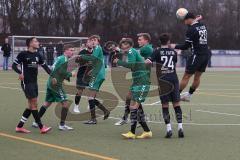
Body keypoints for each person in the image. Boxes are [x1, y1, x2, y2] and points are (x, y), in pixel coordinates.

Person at [146, 33, 184, 138]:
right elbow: (174, 62)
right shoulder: (173, 52)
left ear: (160, 41)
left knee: (165, 105)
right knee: (176, 104)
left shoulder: (157, 52)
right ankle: (180, 127)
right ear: (168, 41)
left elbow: (148, 62)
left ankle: (169, 129)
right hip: (174, 79)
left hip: (163, 81)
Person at [113, 38, 152, 139]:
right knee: (132, 102)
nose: (121, 46)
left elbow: (131, 65)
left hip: (142, 81)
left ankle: (132, 132)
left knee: (134, 107)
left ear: (128, 45)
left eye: (123, 44)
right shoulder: (131, 51)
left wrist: (119, 62)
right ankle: (146, 131)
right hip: (137, 81)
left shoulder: (131, 51)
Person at [12, 37, 52, 134]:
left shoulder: (38, 55)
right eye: (35, 41)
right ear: (30, 43)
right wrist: (20, 73)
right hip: (27, 82)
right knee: (34, 104)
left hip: (34, 82)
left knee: (31, 105)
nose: (38, 42)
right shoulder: (23, 54)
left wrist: (53, 75)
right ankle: (41, 127)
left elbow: (45, 66)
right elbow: (14, 65)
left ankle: (19, 127)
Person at [32, 44, 77, 131]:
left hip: (51, 82)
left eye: (73, 50)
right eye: (71, 50)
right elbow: (61, 71)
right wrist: (71, 74)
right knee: (65, 103)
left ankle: (36, 122)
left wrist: (64, 77)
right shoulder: (63, 59)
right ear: (66, 50)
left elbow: (53, 69)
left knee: (47, 103)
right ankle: (62, 125)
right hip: (55, 84)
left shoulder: (60, 58)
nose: (72, 52)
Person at [170, 13, 209, 102]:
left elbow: (185, 46)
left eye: (185, 20)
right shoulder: (203, 25)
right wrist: (197, 19)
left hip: (196, 55)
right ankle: (189, 95)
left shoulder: (191, 29)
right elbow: (197, 25)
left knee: (186, 76)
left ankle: (176, 95)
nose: (184, 22)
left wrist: (173, 46)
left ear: (189, 19)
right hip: (205, 55)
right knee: (197, 77)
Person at [77, 35, 110, 125]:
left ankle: (93, 119)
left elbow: (92, 58)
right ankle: (105, 111)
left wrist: (82, 56)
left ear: (98, 41)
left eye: (95, 40)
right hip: (99, 74)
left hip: (97, 75)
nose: (93, 42)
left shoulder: (97, 48)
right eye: (92, 40)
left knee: (90, 97)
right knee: (92, 97)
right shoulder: (97, 49)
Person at [73, 39, 93, 113]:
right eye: (89, 42)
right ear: (86, 44)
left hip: (90, 75)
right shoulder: (82, 52)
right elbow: (76, 62)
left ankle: (90, 105)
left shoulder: (95, 52)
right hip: (81, 74)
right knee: (80, 91)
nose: (91, 44)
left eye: (92, 42)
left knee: (91, 91)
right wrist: (85, 63)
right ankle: (76, 106)